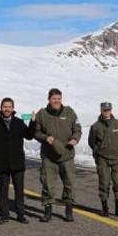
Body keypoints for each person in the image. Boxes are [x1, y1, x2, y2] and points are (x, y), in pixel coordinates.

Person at [0, 97, 37, 224]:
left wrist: (33, 122)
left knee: (19, 191)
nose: (7, 109)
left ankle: (20, 214)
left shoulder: (19, 122)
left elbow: (29, 136)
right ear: (1, 108)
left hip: (17, 163)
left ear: (13, 108)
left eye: (9, 107)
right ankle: (4, 215)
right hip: (2, 163)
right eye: (4, 107)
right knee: (2, 191)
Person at [34, 88, 82, 222]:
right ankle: (47, 211)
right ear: (49, 99)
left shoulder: (69, 112)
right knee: (48, 184)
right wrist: (45, 138)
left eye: (59, 98)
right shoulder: (42, 114)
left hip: (66, 154)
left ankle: (69, 210)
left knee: (69, 183)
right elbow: (36, 132)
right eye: (54, 98)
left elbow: (77, 128)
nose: (56, 101)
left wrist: (75, 138)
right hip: (49, 156)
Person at [88, 101, 118, 218]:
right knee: (104, 183)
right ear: (101, 110)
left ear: (111, 110)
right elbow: (91, 142)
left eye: (108, 110)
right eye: (104, 110)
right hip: (102, 158)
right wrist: (98, 150)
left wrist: (115, 148)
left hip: (116, 158)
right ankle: (105, 207)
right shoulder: (95, 126)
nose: (106, 112)